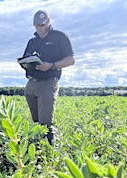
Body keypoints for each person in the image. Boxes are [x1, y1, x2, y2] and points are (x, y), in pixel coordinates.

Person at [22, 10, 75, 145]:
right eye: (37, 25)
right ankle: (37, 148)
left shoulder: (59, 37)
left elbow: (71, 60)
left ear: (48, 21)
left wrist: (51, 65)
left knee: (45, 123)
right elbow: (25, 59)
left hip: (48, 83)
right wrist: (27, 64)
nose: (40, 28)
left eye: (42, 24)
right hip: (32, 83)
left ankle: (50, 155)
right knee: (36, 122)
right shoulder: (32, 42)